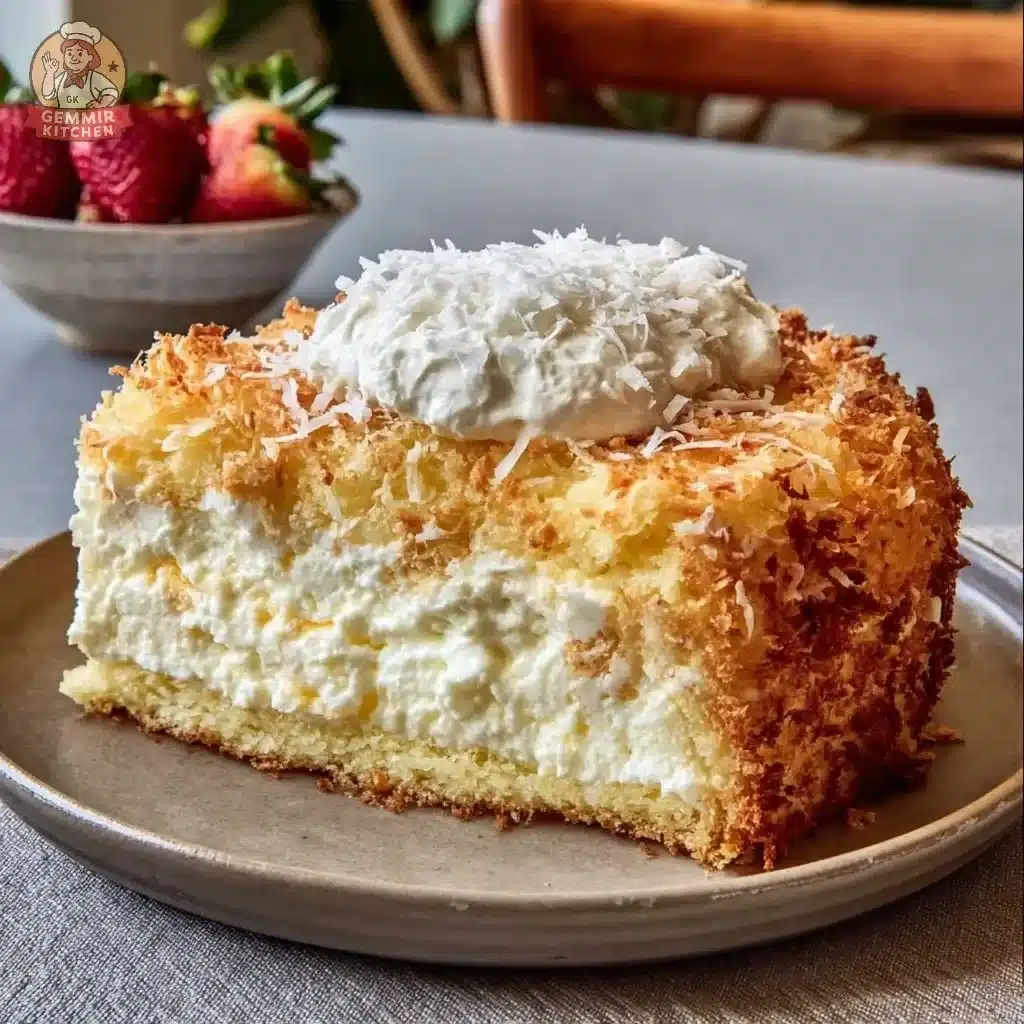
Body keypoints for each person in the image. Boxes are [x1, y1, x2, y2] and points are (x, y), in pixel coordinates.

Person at [39, 22, 118, 109]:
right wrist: (50, 73)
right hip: (65, 121)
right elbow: (48, 95)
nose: (74, 58)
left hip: (89, 121)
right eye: (69, 54)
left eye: (80, 54)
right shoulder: (62, 78)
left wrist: (102, 104)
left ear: (90, 57)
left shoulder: (94, 77)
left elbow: (111, 91)